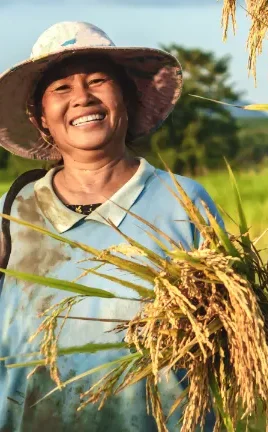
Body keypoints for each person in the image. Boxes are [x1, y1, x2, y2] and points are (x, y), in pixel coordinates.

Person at [0, 22, 219, 431]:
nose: (82, 98)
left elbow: (232, 321)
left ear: (126, 99)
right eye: (61, 89)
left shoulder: (183, 203)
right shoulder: (10, 215)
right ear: (41, 118)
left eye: (98, 81)